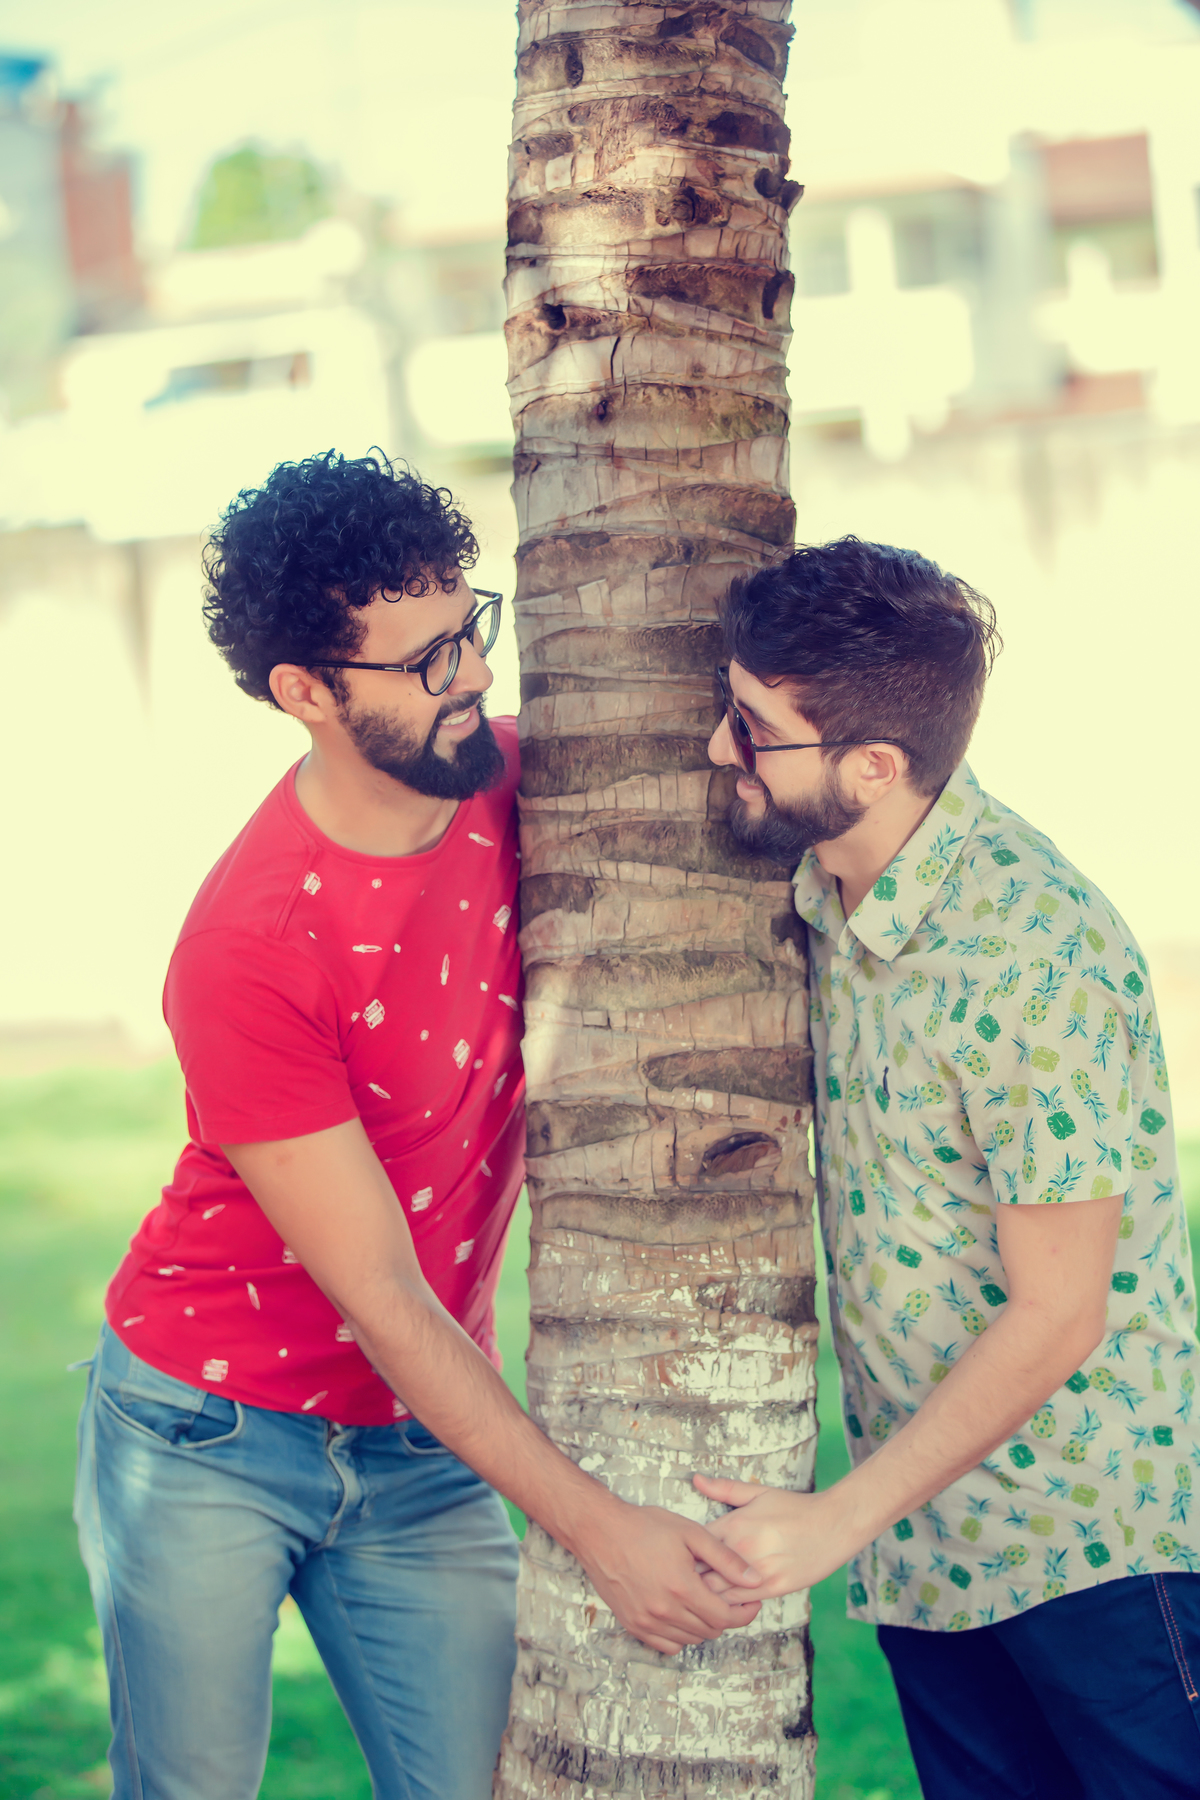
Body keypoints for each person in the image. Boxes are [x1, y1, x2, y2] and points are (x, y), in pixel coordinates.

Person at [74, 451, 761, 1800]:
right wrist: (596, 1532)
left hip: (418, 1437)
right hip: (206, 1434)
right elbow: (381, 1291)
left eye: (468, 630)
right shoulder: (252, 944)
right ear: (305, 693)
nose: (470, 677)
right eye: (422, 659)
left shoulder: (519, 789)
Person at [697, 537, 1200, 1799]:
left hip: (1094, 1551)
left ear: (875, 765)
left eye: (754, 731)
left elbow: (1059, 1312)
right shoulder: (826, 889)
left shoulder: (1032, 956)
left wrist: (832, 1521)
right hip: (933, 1550)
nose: (719, 750)